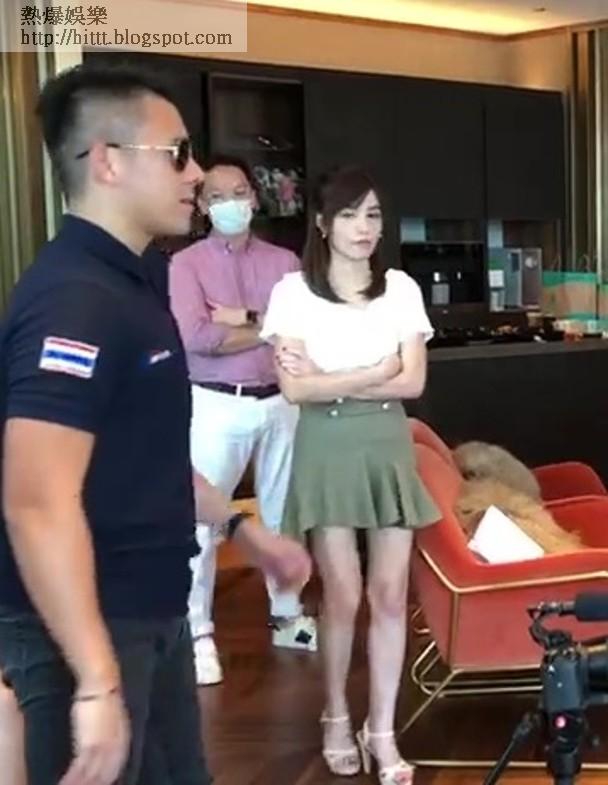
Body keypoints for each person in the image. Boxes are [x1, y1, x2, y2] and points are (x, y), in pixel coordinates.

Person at [0, 63, 310, 785]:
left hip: (150, 613)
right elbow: (35, 500)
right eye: (176, 154)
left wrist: (242, 530)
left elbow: (145, 458)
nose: (196, 174)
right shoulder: (74, 299)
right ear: (107, 162)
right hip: (86, 627)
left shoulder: (138, 281)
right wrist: (95, 680)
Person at [260, 166, 440, 785]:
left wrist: (328, 378)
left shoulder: (401, 289)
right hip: (327, 445)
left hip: (386, 440)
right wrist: (374, 371)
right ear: (321, 222)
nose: (363, 228)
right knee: (342, 593)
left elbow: (412, 382)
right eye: (348, 214)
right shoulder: (292, 293)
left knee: (390, 594)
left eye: (373, 215)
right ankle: (336, 714)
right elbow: (294, 390)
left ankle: (381, 730)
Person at [169, 154, 317, 686]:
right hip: (215, 404)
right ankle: (198, 633)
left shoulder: (284, 262)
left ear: (254, 198)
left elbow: (300, 328)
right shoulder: (184, 265)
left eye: (238, 193)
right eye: (216, 197)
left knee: (283, 514)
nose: (230, 204)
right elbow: (197, 338)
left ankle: (287, 616)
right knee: (201, 523)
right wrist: (267, 326)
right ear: (203, 206)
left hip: (281, 401)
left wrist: (237, 319)